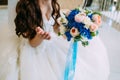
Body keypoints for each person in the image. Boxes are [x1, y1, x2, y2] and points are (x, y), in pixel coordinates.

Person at [0, 0, 110, 80]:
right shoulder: (29, 9)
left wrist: (70, 31)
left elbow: (56, 29)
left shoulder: (52, 4)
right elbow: (31, 44)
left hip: (51, 42)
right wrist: (40, 37)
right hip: (35, 48)